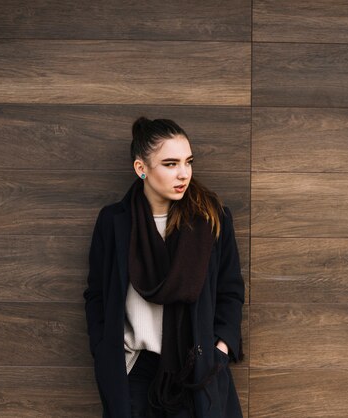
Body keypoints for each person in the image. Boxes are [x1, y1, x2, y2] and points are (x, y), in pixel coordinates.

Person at [83, 117, 245, 418]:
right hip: (133, 368)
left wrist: (221, 349)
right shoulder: (115, 222)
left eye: (188, 161)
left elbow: (230, 290)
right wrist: (103, 347)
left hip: (195, 364)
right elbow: (97, 294)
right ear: (141, 169)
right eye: (170, 164)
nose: (183, 174)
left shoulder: (211, 219)